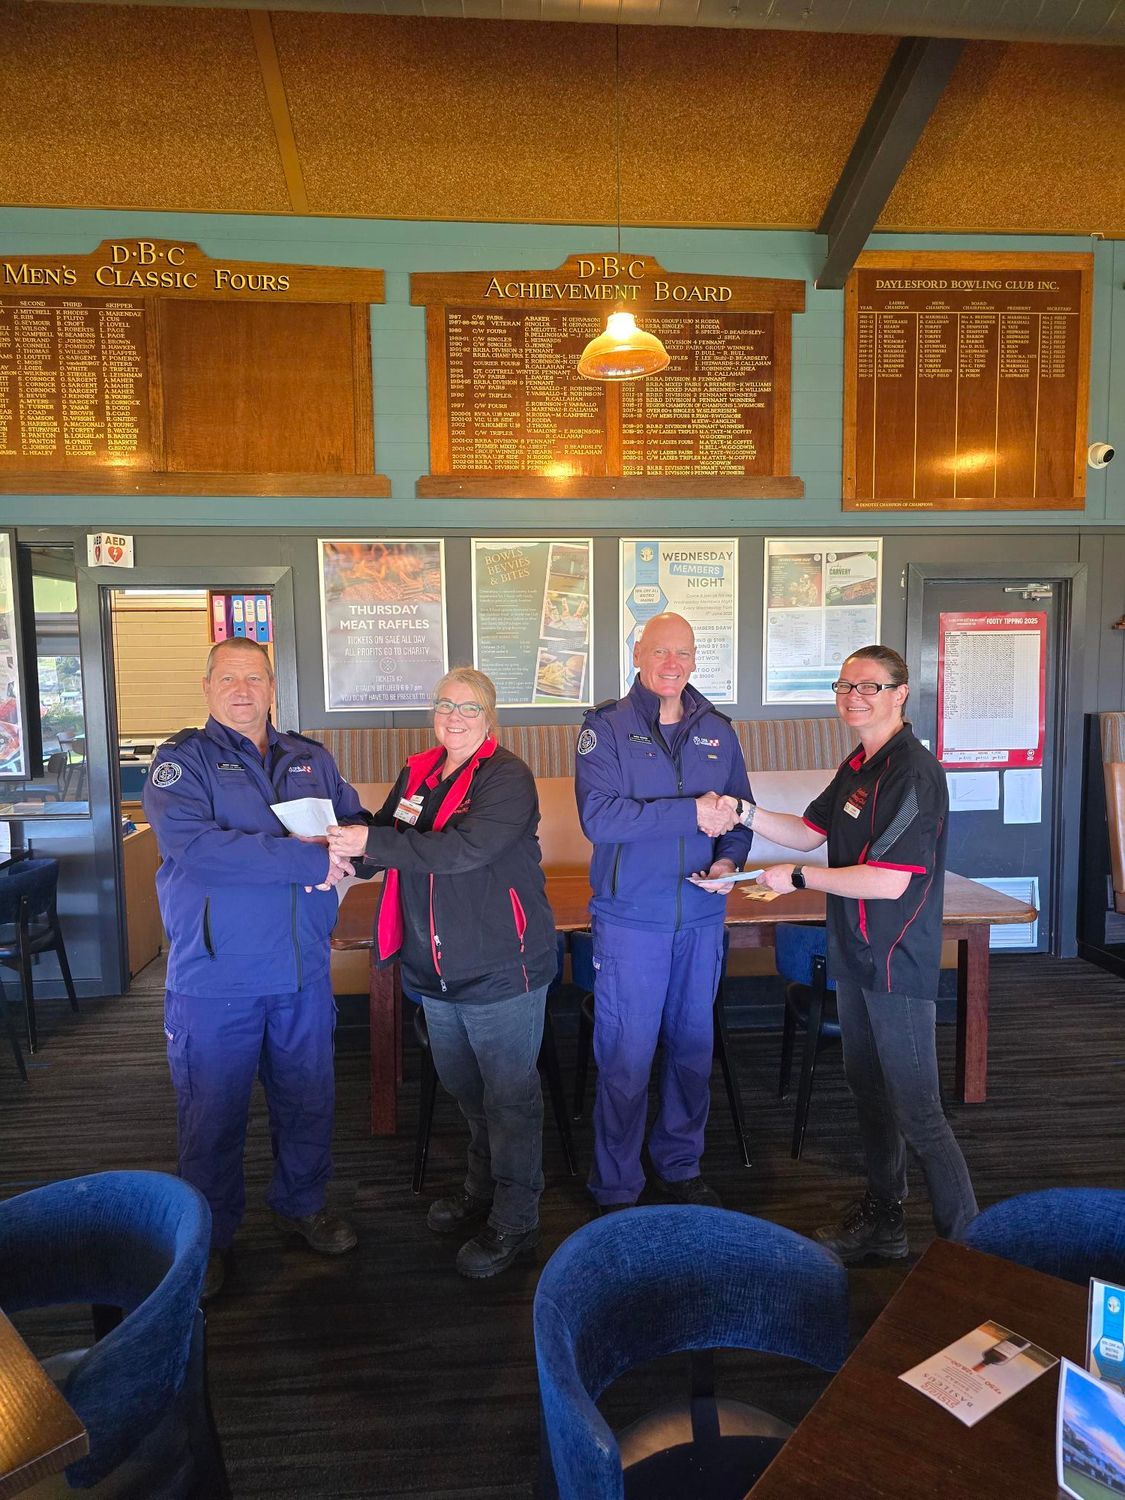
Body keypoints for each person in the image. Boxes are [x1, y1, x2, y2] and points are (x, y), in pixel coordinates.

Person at [722, 644, 978, 1261]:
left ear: (899, 694)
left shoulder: (912, 772)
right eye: (845, 687)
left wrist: (799, 879)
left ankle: (972, 1249)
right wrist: (739, 810)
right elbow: (810, 832)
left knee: (919, 1113)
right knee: (867, 1091)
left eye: (869, 686)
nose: (854, 697)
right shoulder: (857, 766)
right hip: (856, 956)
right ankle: (885, 1223)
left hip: (896, 961)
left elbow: (889, 879)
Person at [143, 637, 364, 1299]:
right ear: (207, 687)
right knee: (213, 1116)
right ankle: (208, 1238)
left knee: (307, 1101)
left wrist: (358, 851)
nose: (242, 690)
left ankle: (300, 1206)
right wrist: (307, 859)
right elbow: (200, 850)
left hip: (300, 969)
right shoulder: (181, 764)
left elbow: (350, 820)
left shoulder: (309, 757)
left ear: (272, 685)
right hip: (217, 977)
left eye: (254, 678)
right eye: (228, 678)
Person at [326, 667, 557, 1279]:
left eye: (470, 707)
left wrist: (367, 845)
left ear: (490, 717)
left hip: (501, 966)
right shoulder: (419, 771)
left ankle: (516, 1219)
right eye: (446, 705)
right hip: (432, 970)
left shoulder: (506, 777)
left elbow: (461, 851)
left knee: (509, 1099)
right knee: (467, 1090)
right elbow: (390, 832)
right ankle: (481, 1188)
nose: (455, 716)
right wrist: (344, 852)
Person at [573, 612, 754, 1212]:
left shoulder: (718, 731)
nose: (671, 664)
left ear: (696, 659)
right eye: (659, 653)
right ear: (638, 657)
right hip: (631, 921)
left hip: (702, 919)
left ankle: (679, 1164)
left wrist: (729, 861)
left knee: (692, 1049)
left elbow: (739, 811)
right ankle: (617, 1183)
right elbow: (600, 819)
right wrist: (688, 814)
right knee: (624, 1056)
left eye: (683, 652)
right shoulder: (605, 729)